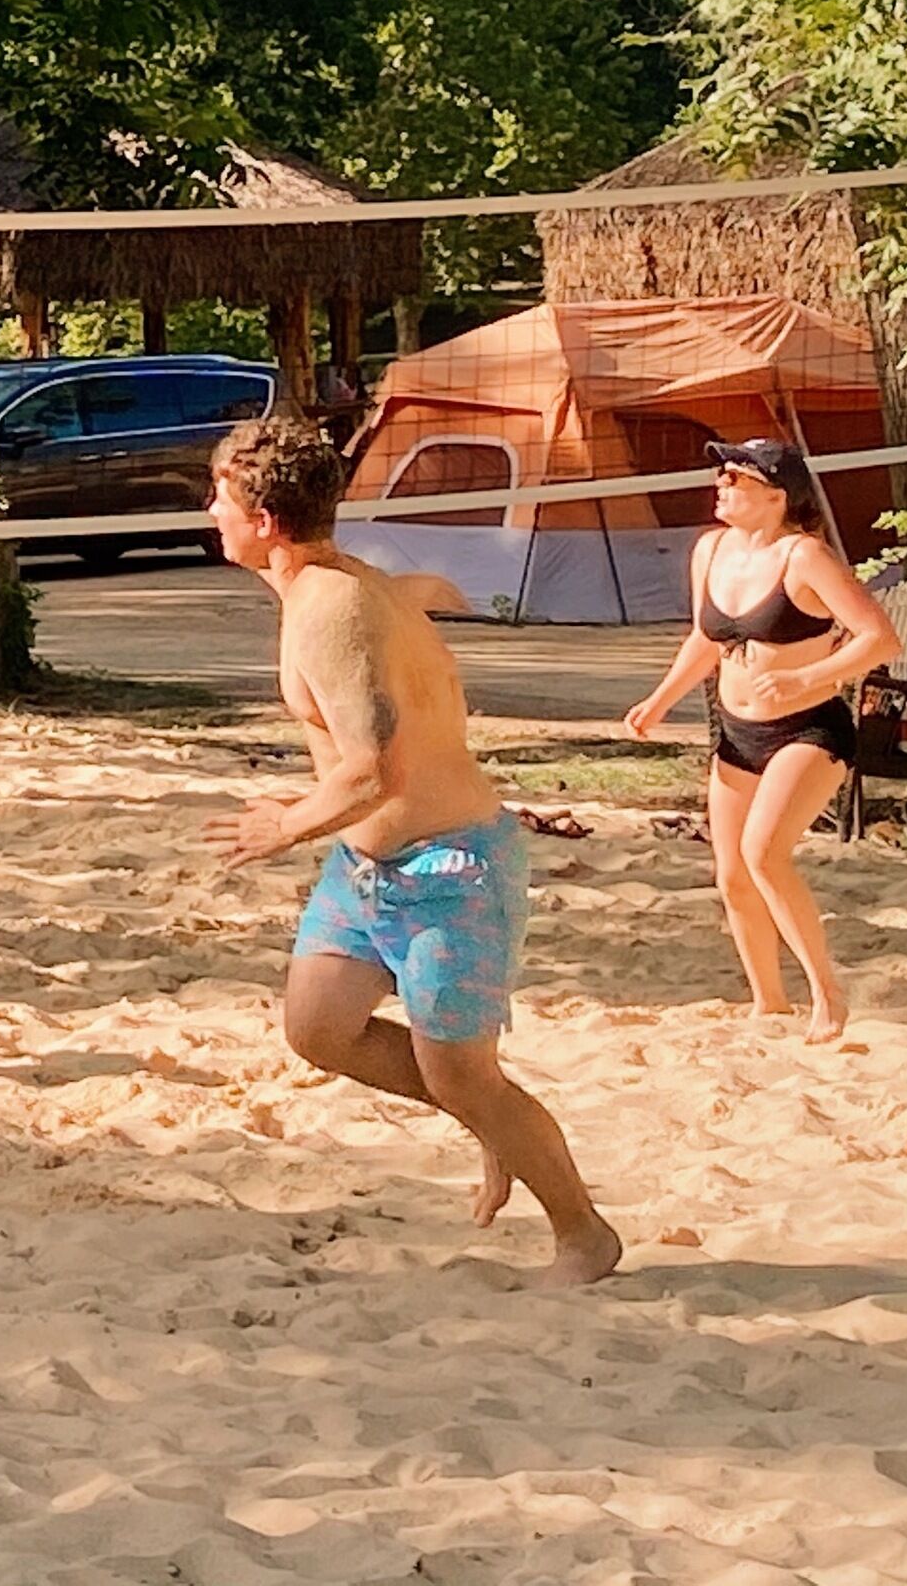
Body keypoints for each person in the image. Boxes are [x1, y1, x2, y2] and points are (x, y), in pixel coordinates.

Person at [208, 414, 621, 1287]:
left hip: (453, 870)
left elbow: (373, 773)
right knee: (319, 1028)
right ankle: (489, 1117)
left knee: (464, 1076)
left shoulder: (331, 606)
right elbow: (416, 610)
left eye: (221, 498)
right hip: (366, 871)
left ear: (265, 521)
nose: (212, 513)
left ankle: (583, 1231)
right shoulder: (337, 586)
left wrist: (282, 823)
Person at [621, 436, 899, 1038]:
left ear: (776, 496)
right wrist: (659, 701)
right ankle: (769, 1003)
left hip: (808, 727)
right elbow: (708, 638)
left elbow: (879, 638)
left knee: (764, 854)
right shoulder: (710, 549)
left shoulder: (805, 557)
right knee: (732, 875)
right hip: (737, 731)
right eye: (720, 475)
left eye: (735, 478)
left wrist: (806, 674)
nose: (720, 485)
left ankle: (827, 994)